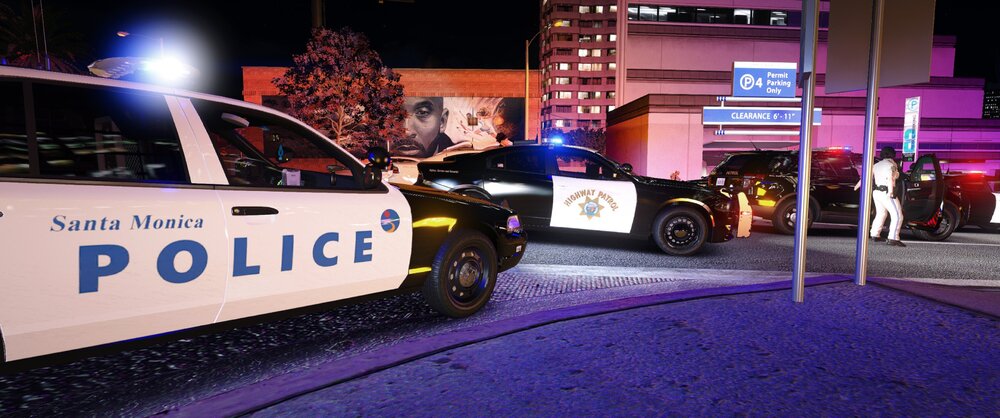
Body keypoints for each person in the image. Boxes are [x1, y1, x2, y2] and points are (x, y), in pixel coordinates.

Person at [855, 146, 905, 247]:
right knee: (897, 215)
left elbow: (866, 175)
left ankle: (875, 234)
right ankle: (893, 238)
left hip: (876, 192)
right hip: (887, 192)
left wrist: (857, 186)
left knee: (881, 213)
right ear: (893, 154)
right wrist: (891, 192)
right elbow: (890, 178)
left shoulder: (876, 165)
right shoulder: (891, 164)